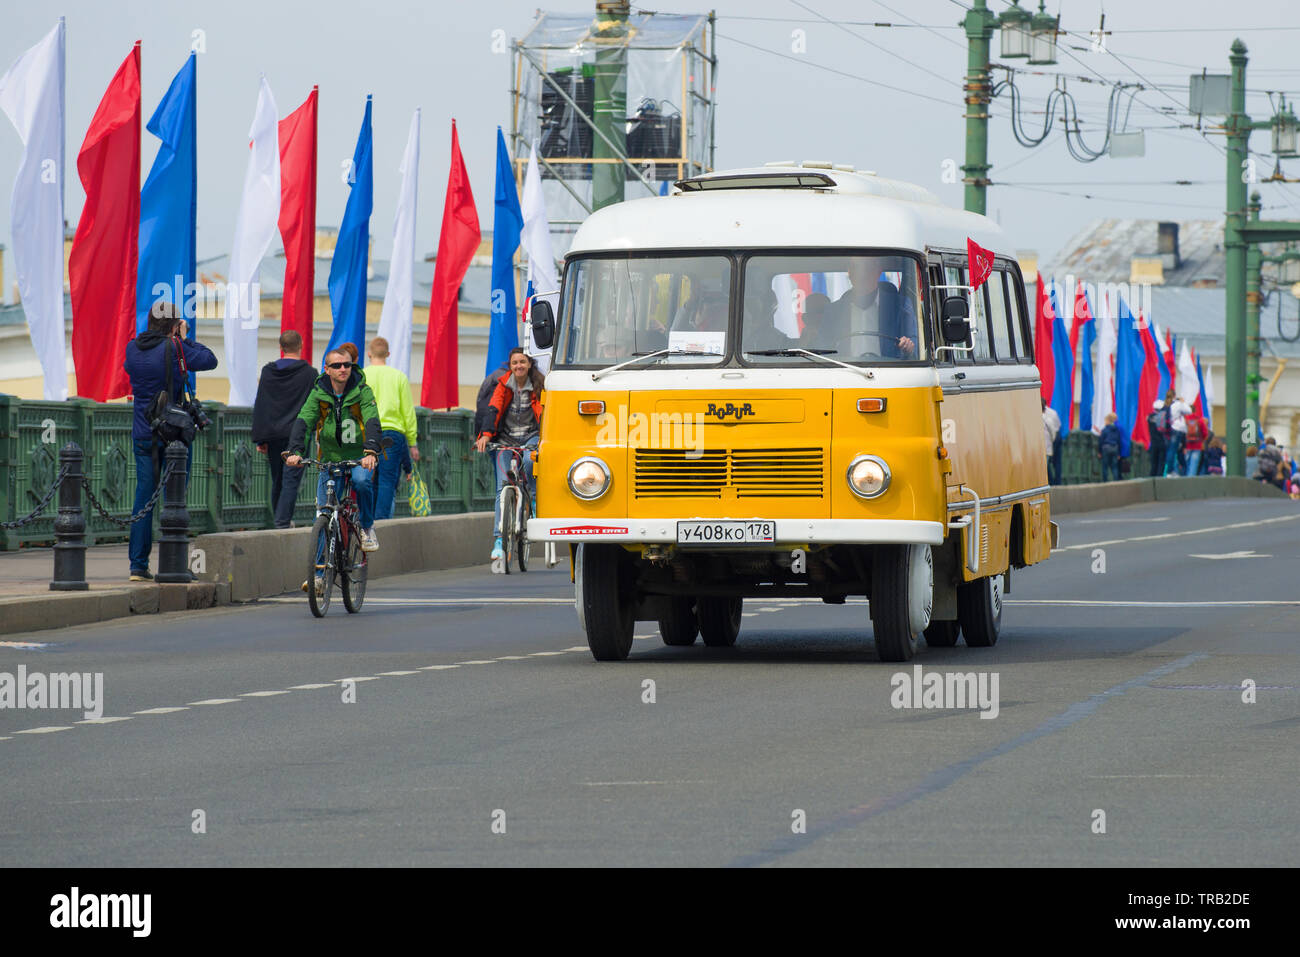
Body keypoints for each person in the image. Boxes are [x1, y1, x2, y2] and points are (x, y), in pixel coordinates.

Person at [123, 300, 218, 581]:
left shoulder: (132, 347)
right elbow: (210, 359)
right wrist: (184, 338)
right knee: (174, 498)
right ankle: (172, 564)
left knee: (143, 498)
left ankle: (137, 566)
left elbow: (134, 373)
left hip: (143, 433)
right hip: (172, 434)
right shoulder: (176, 346)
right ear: (175, 325)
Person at [285, 347, 382, 552]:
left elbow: (372, 419)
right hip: (330, 459)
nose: (343, 369)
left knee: (362, 482)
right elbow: (304, 421)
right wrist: (295, 451)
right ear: (327, 369)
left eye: (347, 364)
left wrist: (371, 451)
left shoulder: (362, 391)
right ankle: (319, 574)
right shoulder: (318, 393)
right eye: (337, 365)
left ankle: (366, 527)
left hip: (358, 456)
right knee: (323, 514)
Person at [475, 347, 544, 564]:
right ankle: (498, 540)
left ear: (529, 364)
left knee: (528, 461)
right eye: (515, 363)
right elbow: (493, 410)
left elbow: (545, 413)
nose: (518, 366)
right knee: (501, 487)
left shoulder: (539, 385)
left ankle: (532, 501)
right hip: (505, 439)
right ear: (510, 365)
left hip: (531, 437)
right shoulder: (503, 384)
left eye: (522, 362)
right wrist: (485, 435)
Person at [251, 330, 317, 529]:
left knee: (278, 479)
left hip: (272, 433)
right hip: (297, 434)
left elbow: (261, 403)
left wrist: (260, 438)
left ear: (281, 348)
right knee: (291, 479)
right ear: (301, 345)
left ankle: (280, 520)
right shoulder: (310, 374)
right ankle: (282, 522)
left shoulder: (268, 371)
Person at [363, 336, 420, 520]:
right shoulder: (399, 377)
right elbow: (408, 412)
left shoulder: (362, 375)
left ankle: (366, 520)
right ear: (388, 354)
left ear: (369, 353)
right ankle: (380, 524)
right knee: (387, 480)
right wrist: (412, 442)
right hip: (392, 433)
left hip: (366, 432)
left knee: (366, 478)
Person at [819, 258, 917, 358]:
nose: (862, 273)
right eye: (856, 267)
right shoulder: (832, 311)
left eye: (867, 267)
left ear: (878, 271)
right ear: (849, 272)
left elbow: (916, 348)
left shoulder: (901, 306)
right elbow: (822, 350)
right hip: (844, 372)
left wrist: (908, 346)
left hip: (890, 371)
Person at [1164, 390, 1192, 477]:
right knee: (1174, 450)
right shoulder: (1178, 404)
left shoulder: (1166, 404)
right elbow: (1189, 411)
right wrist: (1183, 402)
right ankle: (1171, 471)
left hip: (1170, 430)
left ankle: (1171, 470)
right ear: (1174, 395)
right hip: (1178, 430)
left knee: (1172, 450)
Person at [1183, 407, 1208, 478]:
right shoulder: (1199, 420)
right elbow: (1205, 433)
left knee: (1186, 466)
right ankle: (1190, 484)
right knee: (1193, 467)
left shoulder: (1185, 420)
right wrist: (1201, 440)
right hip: (1197, 446)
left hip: (1186, 446)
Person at [1146, 399, 1169, 477]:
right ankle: (1159, 478)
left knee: (1153, 462)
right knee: (1161, 462)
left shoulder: (1149, 417)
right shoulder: (1164, 417)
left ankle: (1152, 478)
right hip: (1162, 442)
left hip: (1153, 442)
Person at [1098, 412, 1122, 482]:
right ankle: (1116, 481)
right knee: (1114, 467)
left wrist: (1099, 452)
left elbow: (1101, 441)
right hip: (1115, 448)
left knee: (1105, 466)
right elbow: (1119, 441)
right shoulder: (1117, 430)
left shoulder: (1104, 430)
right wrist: (1119, 453)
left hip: (1106, 448)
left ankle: (1105, 482)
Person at [1042, 398, 1061, 485]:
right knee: (1052, 463)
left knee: (1046, 464)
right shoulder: (1053, 413)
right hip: (1050, 443)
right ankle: (1054, 482)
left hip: (1045, 444)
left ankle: (1050, 482)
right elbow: (1056, 428)